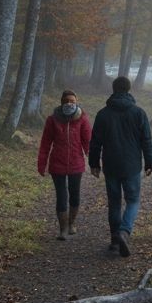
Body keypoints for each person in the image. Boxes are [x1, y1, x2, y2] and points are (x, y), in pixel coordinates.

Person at [89, 76, 152, 257]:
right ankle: (124, 231)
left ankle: (114, 241)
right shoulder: (138, 113)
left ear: (113, 89)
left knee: (114, 203)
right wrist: (149, 162)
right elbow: (146, 140)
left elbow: (95, 142)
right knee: (133, 200)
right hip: (132, 165)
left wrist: (94, 163)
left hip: (110, 165)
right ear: (129, 89)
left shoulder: (103, 114)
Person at [36, 90, 92, 240]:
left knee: (75, 195)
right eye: (66, 101)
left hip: (76, 164)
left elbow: (88, 142)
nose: (69, 103)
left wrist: (93, 161)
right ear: (61, 102)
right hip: (57, 165)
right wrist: (42, 163)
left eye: (72, 101)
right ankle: (63, 229)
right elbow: (45, 144)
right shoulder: (52, 119)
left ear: (76, 102)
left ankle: (72, 223)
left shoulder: (82, 118)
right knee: (61, 196)